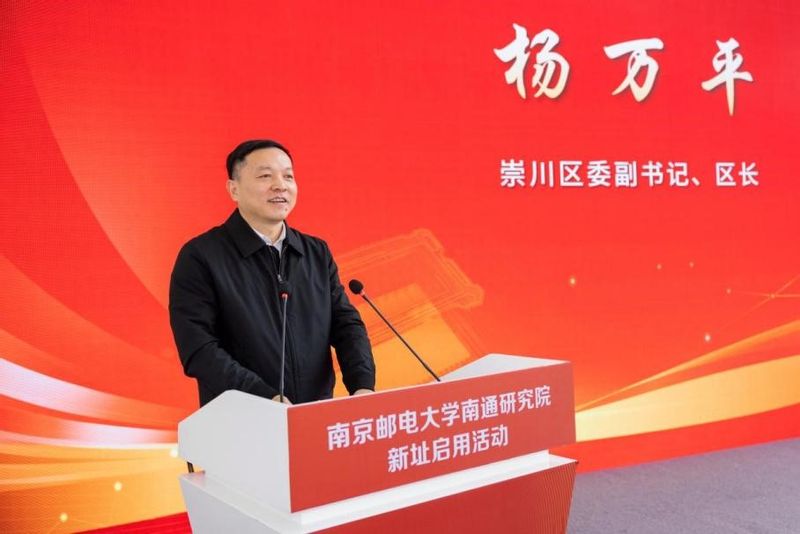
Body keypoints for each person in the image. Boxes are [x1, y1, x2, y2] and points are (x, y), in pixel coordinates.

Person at [169, 139, 375, 406]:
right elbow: (198, 348)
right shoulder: (201, 256)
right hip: (242, 417)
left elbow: (346, 324)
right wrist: (264, 398)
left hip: (314, 416)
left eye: (288, 176)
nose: (280, 185)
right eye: (265, 176)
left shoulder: (315, 252)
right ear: (234, 189)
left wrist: (362, 385)